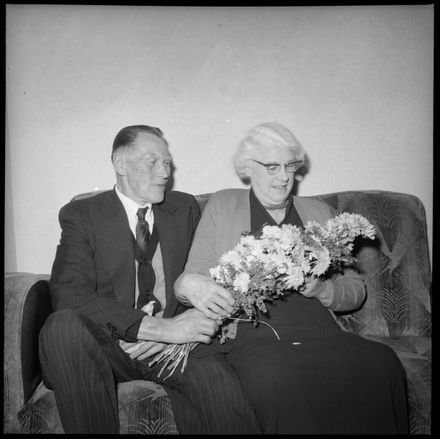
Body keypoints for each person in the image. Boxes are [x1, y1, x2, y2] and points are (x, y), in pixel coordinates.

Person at [175, 121, 409, 434]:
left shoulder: (319, 212)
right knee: (276, 376)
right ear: (248, 167)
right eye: (271, 167)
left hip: (319, 331)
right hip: (254, 335)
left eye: (290, 166)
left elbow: (356, 291)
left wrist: (322, 288)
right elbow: (192, 281)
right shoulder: (223, 204)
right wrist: (206, 288)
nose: (284, 177)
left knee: (383, 363)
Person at [38, 125, 261, 434]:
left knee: (221, 391)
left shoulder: (184, 208)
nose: (165, 172)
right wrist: (158, 329)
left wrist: (181, 330)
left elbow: (205, 275)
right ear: (120, 164)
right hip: (112, 346)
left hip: (178, 348)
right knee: (61, 326)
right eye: (152, 161)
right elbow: (69, 294)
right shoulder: (82, 214)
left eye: (167, 162)